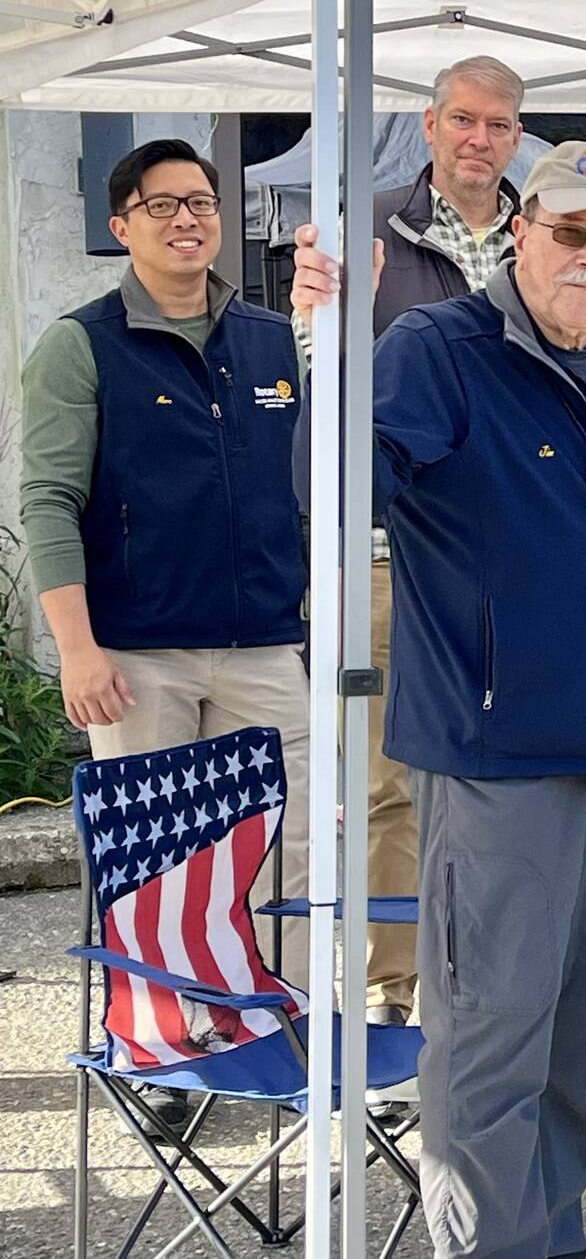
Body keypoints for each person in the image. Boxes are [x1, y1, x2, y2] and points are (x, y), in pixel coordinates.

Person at [295, 140, 586, 1256]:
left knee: (579, 1041)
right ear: (520, 230)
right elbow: (331, 494)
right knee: (490, 1041)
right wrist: (325, 349)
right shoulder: (439, 348)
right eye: (571, 231)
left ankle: (548, 1240)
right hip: (495, 760)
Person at [21, 138, 311, 1131]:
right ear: (123, 225)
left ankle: (283, 1032)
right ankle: (164, 1057)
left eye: (201, 201)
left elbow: (305, 485)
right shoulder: (81, 343)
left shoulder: (273, 341)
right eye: (162, 205)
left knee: (294, 849)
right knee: (159, 865)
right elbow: (50, 502)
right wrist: (78, 648)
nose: (187, 218)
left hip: (266, 646)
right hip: (137, 653)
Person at [289, 55, 525, 1029]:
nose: (478, 140)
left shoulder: (546, 234)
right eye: (461, 121)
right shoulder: (369, 228)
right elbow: (322, 387)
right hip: (391, 559)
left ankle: (493, 976)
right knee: (391, 786)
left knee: (508, 775)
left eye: (498, 125)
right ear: (428, 127)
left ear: (518, 135)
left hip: (516, 563)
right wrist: (319, 319)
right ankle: (397, 992)